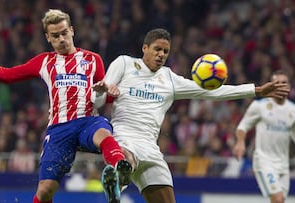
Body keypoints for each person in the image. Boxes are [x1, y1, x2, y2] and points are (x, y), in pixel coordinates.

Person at [93, 28, 290, 203]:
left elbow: (213, 92)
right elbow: (98, 100)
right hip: (124, 138)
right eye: (157, 49)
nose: (161, 55)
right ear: (145, 48)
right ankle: (119, 175)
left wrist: (256, 91)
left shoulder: (169, 78)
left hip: (151, 149)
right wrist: (101, 91)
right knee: (127, 159)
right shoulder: (125, 64)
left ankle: (119, 179)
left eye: (165, 51)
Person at [0, 9, 131, 203]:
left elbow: (101, 97)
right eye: (55, 36)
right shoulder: (44, 62)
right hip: (59, 130)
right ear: (48, 37)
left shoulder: (93, 59)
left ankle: (120, 171)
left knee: (104, 133)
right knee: (45, 191)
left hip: (87, 121)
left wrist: (110, 92)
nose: (61, 39)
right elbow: (7, 75)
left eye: (64, 33)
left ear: (72, 30)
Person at [232, 70, 295, 203]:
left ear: (289, 86)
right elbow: (243, 126)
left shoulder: (292, 110)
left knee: (279, 200)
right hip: (264, 161)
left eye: (284, 83)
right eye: (277, 83)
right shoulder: (260, 106)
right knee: (278, 198)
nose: (281, 86)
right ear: (272, 85)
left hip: (283, 164)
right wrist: (240, 142)